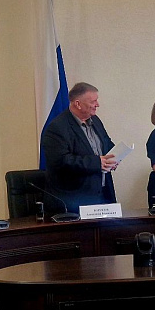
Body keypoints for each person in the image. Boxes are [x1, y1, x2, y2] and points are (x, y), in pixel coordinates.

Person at [42, 82, 117, 214]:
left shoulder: (95, 121)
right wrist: (97, 162)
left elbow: (106, 143)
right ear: (78, 104)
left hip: (102, 195)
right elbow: (61, 161)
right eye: (93, 101)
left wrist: (114, 158)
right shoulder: (57, 128)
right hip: (74, 200)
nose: (97, 105)